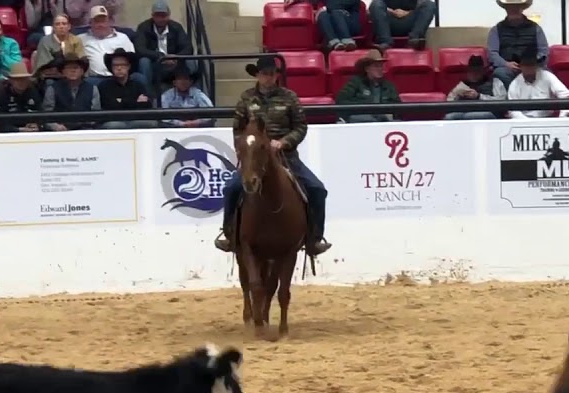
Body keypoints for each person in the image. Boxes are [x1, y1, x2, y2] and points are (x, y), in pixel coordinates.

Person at [215, 56, 330, 258]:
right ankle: (230, 235)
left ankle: (314, 238)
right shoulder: (246, 98)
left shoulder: (290, 97)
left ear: (277, 76)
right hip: (255, 158)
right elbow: (238, 129)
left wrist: (284, 142)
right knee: (231, 188)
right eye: (265, 74)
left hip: (286, 156)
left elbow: (301, 126)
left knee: (316, 189)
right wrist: (244, 150)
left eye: (272, 74)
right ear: (257, 75)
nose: (269, 78)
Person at [134, 1, 197, 87]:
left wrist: (175, 57)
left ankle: (191, 93)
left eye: (163, 16)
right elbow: (140, 49)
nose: (160, 19)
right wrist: (160, 56)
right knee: (144, 61)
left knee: (191, 61)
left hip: (175, 62)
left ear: (169, 15)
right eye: (157, 16)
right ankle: (148, 94)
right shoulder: (144, 27)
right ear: (152, 16)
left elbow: (188, 47)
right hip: (155, 62)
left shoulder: (176, 27)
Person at [486, 0, 548, 88]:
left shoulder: (536, 28)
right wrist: (506, 64)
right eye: (510, 7)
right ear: (506, 9)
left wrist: (530, 65)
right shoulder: (496, 30)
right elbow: (492, 53)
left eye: (516, 7)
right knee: (500, 73)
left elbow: (543, 51)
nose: (513, 9)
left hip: (533, 66)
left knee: (546, 73)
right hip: (507, 68)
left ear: (522, 8)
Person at [334, 49, 401, 123]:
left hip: (384, 122)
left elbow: (397, 106)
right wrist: (368, 108)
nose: (380, 69)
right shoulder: (355, 82)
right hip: (361, 120)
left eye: (381, 66)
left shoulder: (389, 85)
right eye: (376, 66)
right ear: (367, 69)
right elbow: (341, 101)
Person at [504, 47, 569, 119]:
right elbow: (513, 111)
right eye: (526, 65)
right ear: (521, 66)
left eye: (531, 65)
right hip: (524, 122)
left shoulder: (547, 76)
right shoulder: (515, 84)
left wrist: (562, 118)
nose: (529, 68)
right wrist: (527, 123)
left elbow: (565, 95)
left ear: (536, 65)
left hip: (547, 119)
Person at [97, 48, 154, 129]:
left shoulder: (138, 85)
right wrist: (135, 102)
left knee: (150, 123)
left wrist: (121, 101)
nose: (119, 68)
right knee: (114, 125)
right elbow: (110, 106)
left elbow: (147, 105)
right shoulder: (104, 86)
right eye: (115, 65)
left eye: (123, 65)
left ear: (129, 66)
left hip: (136, 120)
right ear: (111, 67)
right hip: (113, 121)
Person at [41, 55, 100, 131]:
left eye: (76, 68)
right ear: (63, 72)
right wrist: (55, 126)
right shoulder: (52, 88)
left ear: (82, 71)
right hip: (59, 130)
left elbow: (96, 114)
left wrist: (87, 125)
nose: (73, 71)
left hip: (85, 129)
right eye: (69, 68)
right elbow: (46, 114)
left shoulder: (93, 88)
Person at [444, 55, 505, 120]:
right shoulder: (463, 84)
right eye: (471, 71)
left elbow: (501, 101)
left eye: (477, 71)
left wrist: (479, 96)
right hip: (464, 111)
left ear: (483, 71)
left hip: (487, 112)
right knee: (449, 117)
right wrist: (457, 95)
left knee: (472, 116)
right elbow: (449, 102)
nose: (474, 74)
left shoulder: (494, 82)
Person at [0, 61, 42, 131]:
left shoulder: (33, 92)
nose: (21, 82)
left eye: (24, 79)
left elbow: (41, 114)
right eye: (17, 80)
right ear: (11, 81)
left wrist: (36, 124)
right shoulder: (2, 94)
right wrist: (19, 129)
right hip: (10, 134)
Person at [369, 0, 436, 51]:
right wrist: (392, 11)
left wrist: (408, 12)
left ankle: (415, 40)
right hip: (388, 20)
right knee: (375, 4)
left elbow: (422, 3)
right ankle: (385, 42)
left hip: (410, 19)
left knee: (430, 5)